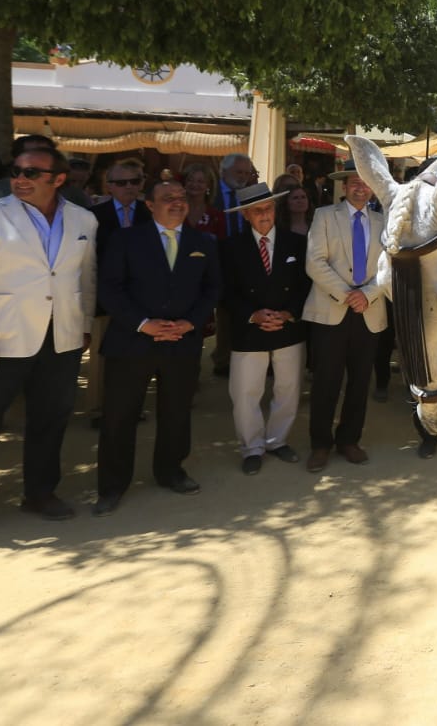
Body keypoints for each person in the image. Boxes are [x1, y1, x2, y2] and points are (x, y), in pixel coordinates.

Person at [0, 145, 99, 545]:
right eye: (17, 171)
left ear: (58, 179)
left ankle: (40, 493)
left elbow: (85, 277)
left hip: (59, 339)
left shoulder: (83, 219)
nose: (20, 179)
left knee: (50, 421)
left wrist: (81, 326)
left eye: (32, 173)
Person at [92, 176, 221, 514]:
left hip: (182, 342)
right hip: (131, 342)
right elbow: (109, 288)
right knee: (120, 416)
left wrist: (190, 322)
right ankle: (112, 485)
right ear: (149, 205)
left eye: (181, 196)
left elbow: (212, 289)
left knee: (176, 413)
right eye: (167, 197)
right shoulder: (125, 240)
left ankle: (171, 471)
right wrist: (143, 324)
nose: (177, 201)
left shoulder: (202, 241)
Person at [301, 166, 388, 471]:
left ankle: (349, 440)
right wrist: (347, 294)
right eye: (354, 183)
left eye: (365, 184)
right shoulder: (325, 216)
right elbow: (314, 262)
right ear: (344, 187)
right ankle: (320, 444)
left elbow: (389, 266)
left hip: (369, 312)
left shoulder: (383, 221)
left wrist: (368, 295)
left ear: (373, 190)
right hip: (330, 311)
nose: (360, 188)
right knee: (326, 381)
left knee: (360, 381)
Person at [220, 182, 309, 475]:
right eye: (256, 210)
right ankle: (252, 447)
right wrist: (252, 315)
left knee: (288, 388)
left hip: (287, 328)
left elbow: (305, 286)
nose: (264, 215)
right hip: (249, 330)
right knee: (246, 391)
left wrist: (287, 314)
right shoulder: (231, 246)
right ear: (246, 215)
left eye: (268, 208)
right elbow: (225, 292)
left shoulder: (295, 243)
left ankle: (276, 440)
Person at [87, 160, 152, 425]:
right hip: (105, 301)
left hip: (143, 302)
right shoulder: (93, 216)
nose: (129, 187)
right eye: (121, 182)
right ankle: (101, 411)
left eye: (135, 181)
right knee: (103, 360)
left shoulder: (151, 214)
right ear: (109, 186)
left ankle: (132, 409)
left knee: (138, 359)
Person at [211, 153, 260, 377]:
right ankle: (222, 360)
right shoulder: (209, 192)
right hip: (216, 260)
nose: (242, 177)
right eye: (238, 172)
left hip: (244, 260)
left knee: (241, 308)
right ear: (224, 172)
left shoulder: (249, 193)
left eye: (246, 172)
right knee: (222, 312)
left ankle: (238, 356)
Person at [181, 162, 227, 240]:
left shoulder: (216, 216)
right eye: (190, 180)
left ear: (208, 186)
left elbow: (222, 246)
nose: (194, 184)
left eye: (200, 181)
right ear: (184, 183)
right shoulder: (175, 211)